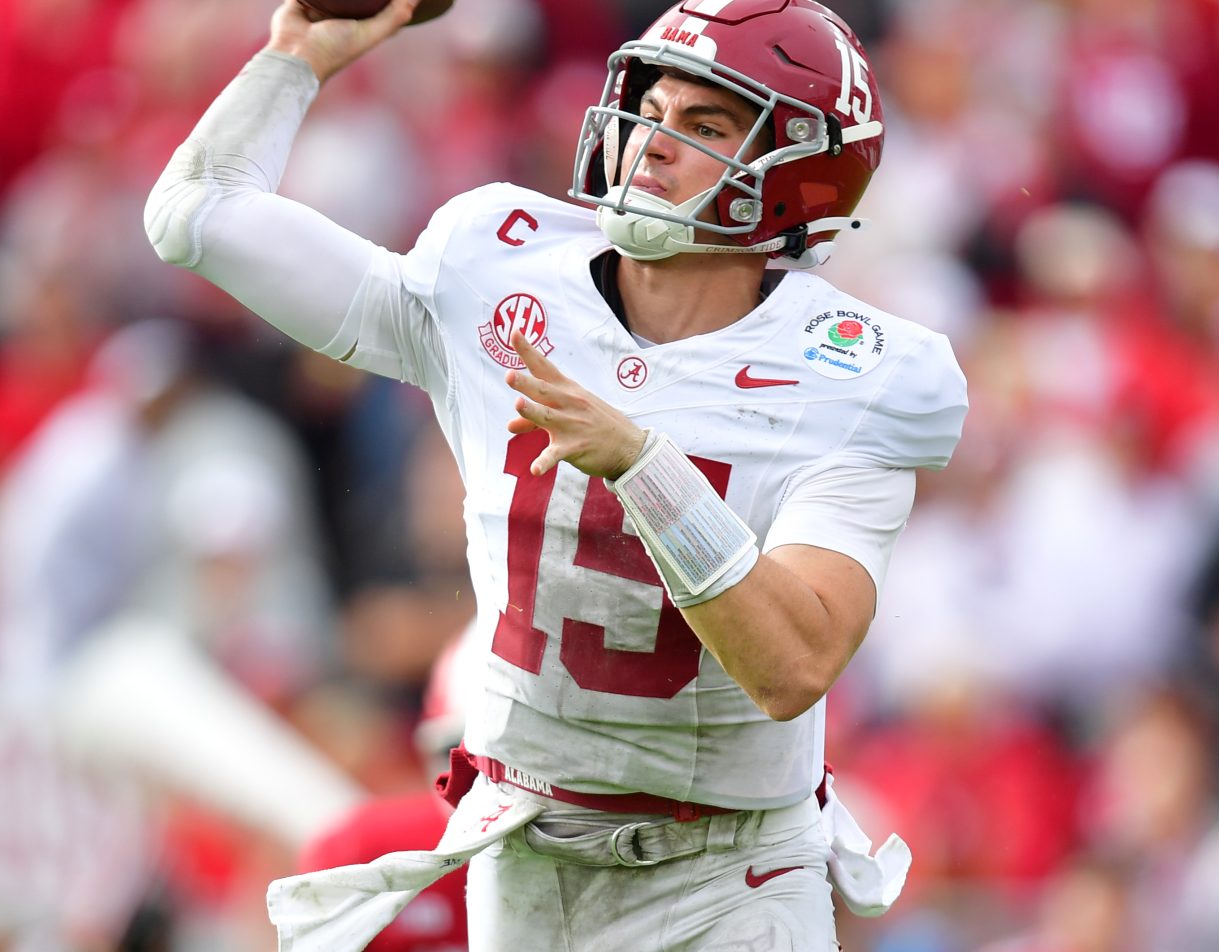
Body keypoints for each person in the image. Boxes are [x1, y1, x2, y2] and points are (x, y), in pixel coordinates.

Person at [145, 0, 968, 948]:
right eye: (651, 109)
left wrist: (644, 467)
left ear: (800, 179)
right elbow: (195, 218)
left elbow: (793, 666)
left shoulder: (852, 374)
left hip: (728, 874)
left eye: (703, 126)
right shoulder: (501, 262)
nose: (651, 144)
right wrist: (296, 60)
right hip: (524, 852)